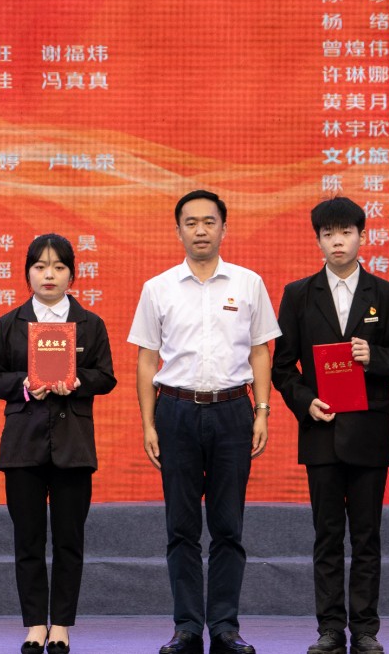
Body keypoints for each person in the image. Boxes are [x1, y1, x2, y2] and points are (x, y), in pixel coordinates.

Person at [128, 190, 281, 654]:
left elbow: (261, 351)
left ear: (223, 228)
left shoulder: (248, 283)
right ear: (178, 230)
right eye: (191, 222)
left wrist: (262, 411)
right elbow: (146, 359)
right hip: (175, 411)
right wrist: (149, 423)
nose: (200, 230)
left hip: (234, 411)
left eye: (209, 222)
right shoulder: (158, 288)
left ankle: (226, 627)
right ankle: (187, 627)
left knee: (228, 526)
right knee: (181, 527)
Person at [272, 197, 389, 654]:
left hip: (369, 431)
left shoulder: (386, 294)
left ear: (362, 236)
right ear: (318, 239)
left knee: (367, 536)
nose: (338, 241)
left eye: (346, 232)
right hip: (322, 430)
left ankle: (366, 629)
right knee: (328, 536)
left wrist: (375, 358)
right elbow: (282, 367)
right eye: (328, 233)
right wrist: (305, 403)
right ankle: (330, 628)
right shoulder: (298, 294)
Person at [0, 233, 118, 654]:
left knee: (69, 541)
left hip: (73, 446)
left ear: (72, 275)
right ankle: (34, 625)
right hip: (23, 446)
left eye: (59, 267)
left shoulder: (90, 323)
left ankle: (60, 625)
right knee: (28, 541)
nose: (49, 275)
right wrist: (25, 384)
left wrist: (77, 381)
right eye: (40, 266)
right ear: (27, 273)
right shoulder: (10, 323)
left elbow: (106, 377)